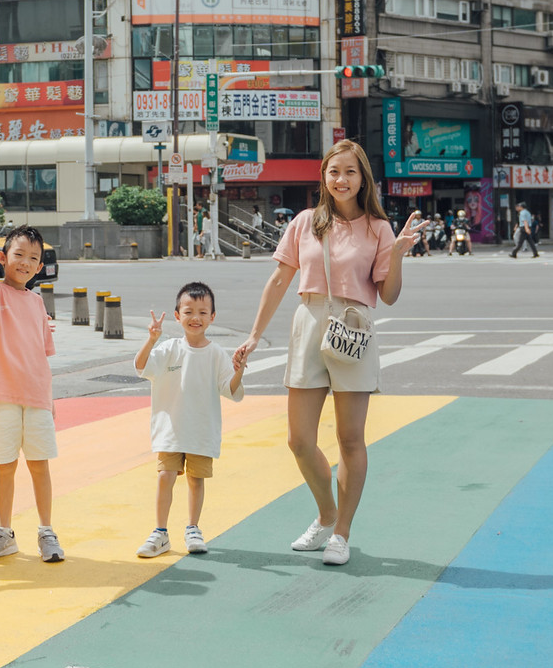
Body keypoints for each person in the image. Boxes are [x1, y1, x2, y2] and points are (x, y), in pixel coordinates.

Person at [238, 140, 419, 566]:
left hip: (353, 326)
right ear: (324, 176)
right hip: (310, 319)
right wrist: (253, 335)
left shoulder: (378, 228)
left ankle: (341, 533)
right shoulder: (305, 223)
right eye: (334, 171)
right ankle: (326, 513)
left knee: (349, 438)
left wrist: (397, 255)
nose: (341, 179)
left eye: (350, 172)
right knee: (299, 440)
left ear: (363, 179)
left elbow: (388, 295)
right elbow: (280, 280)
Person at [0, 226, 63, 563]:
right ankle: (5, 532)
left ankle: (46, 531)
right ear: (3, 258)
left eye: (34, 258)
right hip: (2, 394)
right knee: (4, 465)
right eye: (18, 255)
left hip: (36, 396)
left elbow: (40, 356)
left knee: (39, 465)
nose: (25, 263)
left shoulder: (37, 302)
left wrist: (49, 401)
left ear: (39, 266)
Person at [134, 281, 248, 558]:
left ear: (212, 317)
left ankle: (193, 528)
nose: (195, 318)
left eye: (202, 312)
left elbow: (230, 391)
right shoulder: (168, 348)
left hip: (200, 430)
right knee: (165, 476)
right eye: (188, 312)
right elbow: (140, 367)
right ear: (177, 315)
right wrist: (151, 339)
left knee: (196, 480)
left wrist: (239, 371)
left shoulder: (217, 354)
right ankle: (160, 532)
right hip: (171, 429)